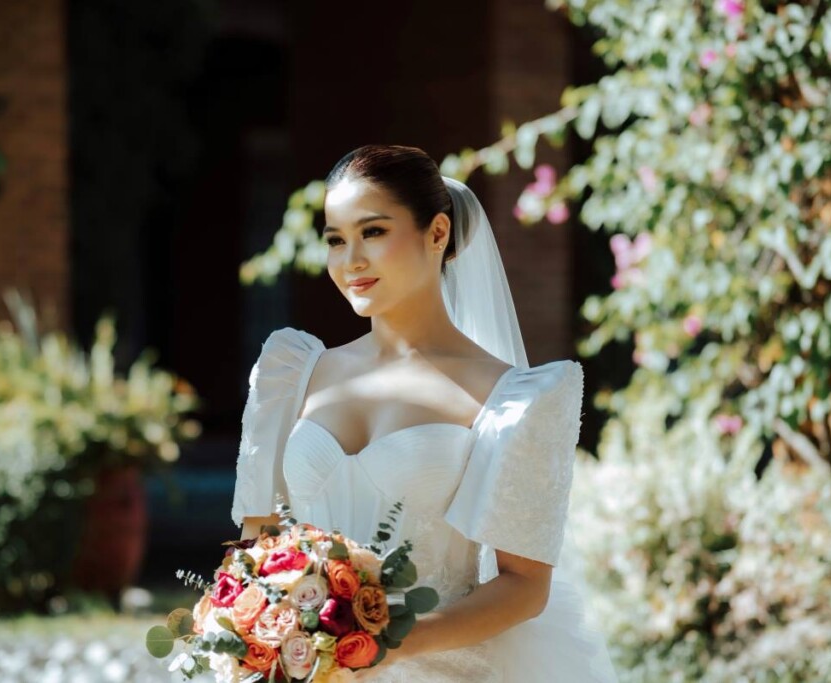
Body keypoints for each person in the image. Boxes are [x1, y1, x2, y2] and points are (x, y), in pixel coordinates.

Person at [232, 144, 618, 682]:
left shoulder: (514, 400)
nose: (351, 261)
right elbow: (257, 549)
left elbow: (525, 586)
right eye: (336, 240)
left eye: (373, 232)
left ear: (437, 233)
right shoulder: (289, 373)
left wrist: (383, 645)